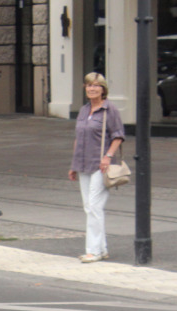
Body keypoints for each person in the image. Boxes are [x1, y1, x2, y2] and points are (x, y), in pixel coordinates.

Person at [68, 71, 125, 263]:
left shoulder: (110, 110)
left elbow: (118, 136)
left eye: (96, 85)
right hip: (83, 163)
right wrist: (73, 165)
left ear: (103, 89)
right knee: (89, 207)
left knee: (94, 206)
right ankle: (102, 248)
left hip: (102, 165)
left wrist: (108, 156)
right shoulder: (84, 110)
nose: (92, 88)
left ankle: (93, 251)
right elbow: (79, 138)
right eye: (89, 85)